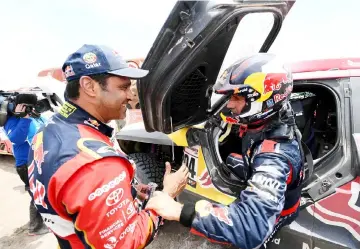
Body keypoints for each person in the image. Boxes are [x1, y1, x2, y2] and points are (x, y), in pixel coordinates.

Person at [27, 44, 189, 249]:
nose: (130, 96)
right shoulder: (97, 164)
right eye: (123, 87)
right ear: (90, 86)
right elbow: (125, 242)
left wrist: (139, 191)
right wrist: (166, 195)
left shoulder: (47, 130)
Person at [146, 53, 305, 249]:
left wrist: (178, 210)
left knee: (252, 240)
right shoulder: (274, 115)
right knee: (230, 159)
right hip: (277, 184)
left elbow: (250, 228)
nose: (230, 104)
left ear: (265, 98)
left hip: (279, 212)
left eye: (237, 97)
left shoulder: (274, 157)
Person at [3, 93, 49, 235]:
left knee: (45, 191)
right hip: (26, 164)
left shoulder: (36, 116)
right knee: (36, 193)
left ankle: (46, 219)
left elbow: (47, 127)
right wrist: (24, 118)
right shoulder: (11, 121)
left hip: (40, 160)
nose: (31, 108)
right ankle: (35, 227)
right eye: (27, 106)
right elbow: (16, 139)